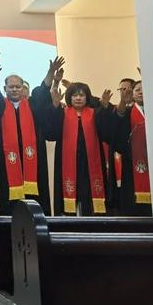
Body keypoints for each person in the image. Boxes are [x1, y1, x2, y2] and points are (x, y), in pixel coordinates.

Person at [32, 60, 113, 216]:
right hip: (67, 162)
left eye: (81, 95)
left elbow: (106, 133)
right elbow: (51, 134)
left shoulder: (95, 113)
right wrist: (55, 106)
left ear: (87, 97)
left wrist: (104, 108)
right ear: (69, 97)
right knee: (68, 197)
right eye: (74, 94)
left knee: (90, 198)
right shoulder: (62, 112)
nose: (78, 98)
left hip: (90, 163)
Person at [0, 65, 52, 215]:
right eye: (11, 87)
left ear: (23, 88)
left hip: (33, 159)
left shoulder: (32, 105)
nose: (14, 89)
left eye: (18, 87)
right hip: (8, 160)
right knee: (8, 192)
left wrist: (50, 74)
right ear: (5, 88)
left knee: (35, 195)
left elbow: (43, 91)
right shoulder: (0, 106)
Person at [111, 80, 152, 216]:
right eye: (137, 90)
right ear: (132, 94)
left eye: (144, 88)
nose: (140, 91)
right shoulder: (128, 112)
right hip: (133, 163)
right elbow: (118, 134)